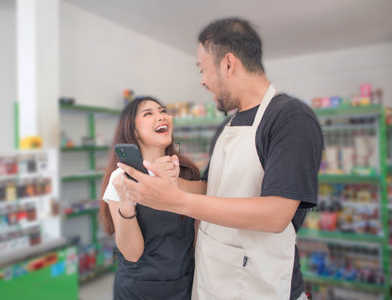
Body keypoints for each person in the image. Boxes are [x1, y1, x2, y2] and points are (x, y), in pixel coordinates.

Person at [117, 18, 324, 300]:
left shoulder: (290, 118)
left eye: (203, 69)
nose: (202, 80)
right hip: (213, 280)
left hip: (260, 284)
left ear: (228, 64)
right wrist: (171, 182)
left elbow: (276, 214)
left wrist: (177, 200)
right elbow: (209, 186)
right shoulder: (228, 126)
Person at [100, 96, 201, 300]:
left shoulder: (188, 173)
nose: (162, 116)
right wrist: (127, 203)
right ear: (133, 131)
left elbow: (198, 237)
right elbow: (132, 253)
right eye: (149, 113)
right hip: (137, 289)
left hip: (184, 284)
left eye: (163, 111)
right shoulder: (121, 179)